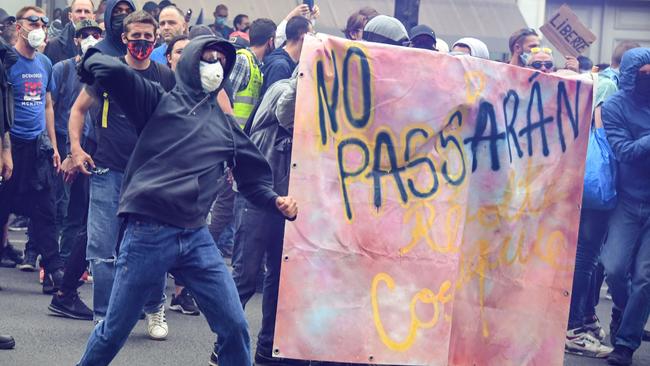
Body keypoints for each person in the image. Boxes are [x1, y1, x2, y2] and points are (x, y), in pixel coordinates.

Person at [73, 33, 298, 366]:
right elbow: (118, 75)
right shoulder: (158, 101)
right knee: (114, 331)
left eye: (221, 62)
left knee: (235, 326)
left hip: (195, 237)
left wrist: (274, 200)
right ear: (191, 60)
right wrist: (91, 61)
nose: (214, 67)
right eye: (207, 59)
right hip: (148, 232)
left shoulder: (225, 127)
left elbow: (253, 177)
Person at [68, 10, 175, 339]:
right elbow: (77, 109)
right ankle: (104, 318)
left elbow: (177, 124)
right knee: (102, 250)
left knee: (152, 247)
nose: (141, 42)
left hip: (150, 177)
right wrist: (75, 149)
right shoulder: (108, 73)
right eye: (135, 37)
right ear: (124, 39)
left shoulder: (165, 76)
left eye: (147, 37)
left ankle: (154, 310)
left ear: (155, 39)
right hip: (107, 169)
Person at [0, 6, 65, 295]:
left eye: (43, 21)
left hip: (38, 147)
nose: (39, 25)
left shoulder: (45, 63)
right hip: (11, 146)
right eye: (33, 20)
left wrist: (52, 145)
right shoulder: (7, 62)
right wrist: (4, 149)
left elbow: (47, 104)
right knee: (2, 209)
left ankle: (55, 273)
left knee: (45, 209)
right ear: (19, 26)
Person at [45, 19, 102, 322]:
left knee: (82, 218)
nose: (90, 39)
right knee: (66, 214)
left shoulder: (106, 67)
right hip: (69, 152)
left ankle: (64, 279)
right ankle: (59, 278)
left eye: (95, 34)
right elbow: (55, 109)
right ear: (75, 39)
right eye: (84, 35)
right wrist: (67, 152)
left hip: (94, 154)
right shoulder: (64, 69)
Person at [600, 47, 650, 366]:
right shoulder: (615, 106)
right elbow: (623, 151)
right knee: (615, 269)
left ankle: (626, 344)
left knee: (645, 276)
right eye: (645, 75)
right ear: (632, 76)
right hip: (629, 201)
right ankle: (622, 309)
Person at [261, 16, 311, 96]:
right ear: (303, 36)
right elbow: (274, 103)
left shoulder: (286, 62)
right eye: (311, 35)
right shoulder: (280, 66)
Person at [44, 0, 95, 65]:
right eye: (78, 11)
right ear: (70, 16)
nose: (83, 15)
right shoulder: (54, 45)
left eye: (87, 11)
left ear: (93, 17)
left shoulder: (100, 43)